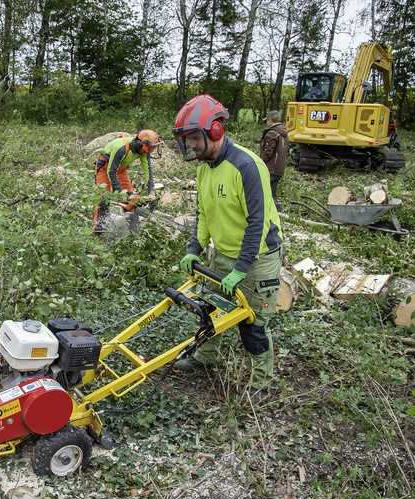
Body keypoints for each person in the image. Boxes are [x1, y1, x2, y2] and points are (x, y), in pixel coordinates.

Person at [172, 95, 283, 390]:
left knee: (253, 325)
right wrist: (194, 248)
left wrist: (242, 268)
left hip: (258, 259)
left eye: (195, 138)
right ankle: (207, 356)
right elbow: (204, 213)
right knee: (212, 309)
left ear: (216, 130)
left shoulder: (246, 166)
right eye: (188, 139)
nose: (192, 145)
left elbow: (256, 222)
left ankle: (261, 383)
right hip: (223, 253)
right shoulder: (204, 168)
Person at [93, 130, 162, 234]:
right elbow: (111, 171)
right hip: (105, 167)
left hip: (121, 169)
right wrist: (120, 191)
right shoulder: (121, 148)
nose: (151, 150)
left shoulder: (143, 151)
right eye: (151, 147)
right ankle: (99, 225)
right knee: (104, 196)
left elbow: (148, 171)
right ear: (141, 143)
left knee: (132, 199)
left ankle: (129, 225)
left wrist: (151, 190)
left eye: (153, 147)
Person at [259, 110, 288, 209]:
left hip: (271, 168)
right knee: (272, 191)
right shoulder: (282, 132)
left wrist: (259, 162)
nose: (266, 122)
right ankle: (277, 210)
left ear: (270, 120)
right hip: (279, 168)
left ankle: (273, 210)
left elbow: (268, 152)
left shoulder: (272, 133)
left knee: (265, 191)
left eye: (267, 120)